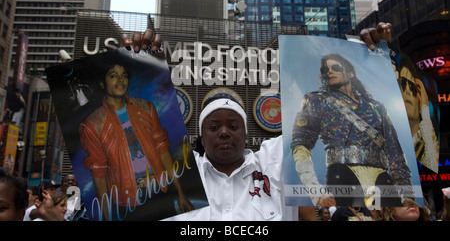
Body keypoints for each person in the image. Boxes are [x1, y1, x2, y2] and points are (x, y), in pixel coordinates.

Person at [125, 22, 394, 221]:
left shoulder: (275, 162)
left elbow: (344, 116)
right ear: (201, 137)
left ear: (245, 133)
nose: (224, 133)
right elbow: (136, 130)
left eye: (233, 126)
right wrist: (135, 66)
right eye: (214, 127)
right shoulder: (178, 175)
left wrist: (372, 58)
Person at [290, 52, 413, 207]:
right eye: (324, 70)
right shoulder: (316, 100)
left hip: (381, 175)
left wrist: (407, 194)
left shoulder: (377, 108)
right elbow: (299, 143)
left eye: (335, 67)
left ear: (350, 73)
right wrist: (314, 191)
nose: (329, 72)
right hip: (342, 174)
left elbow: (395, 152)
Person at [79, 56, 193, 221]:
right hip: (128, 205)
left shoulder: (146, 108)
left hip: (161, 195)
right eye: (113, 75)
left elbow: (163, 150)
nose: (120, 80)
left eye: (124, 75)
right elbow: (98, 173)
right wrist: (106, 216)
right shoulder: (92, 125)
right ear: (102, 84)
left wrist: (180, 193)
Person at [397, 57, 439, 172]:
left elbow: (432, 162)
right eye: (402, 83)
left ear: (421, 98)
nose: (406, 91)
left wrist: (425, 111)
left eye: (412, 87)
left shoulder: (428, 145)